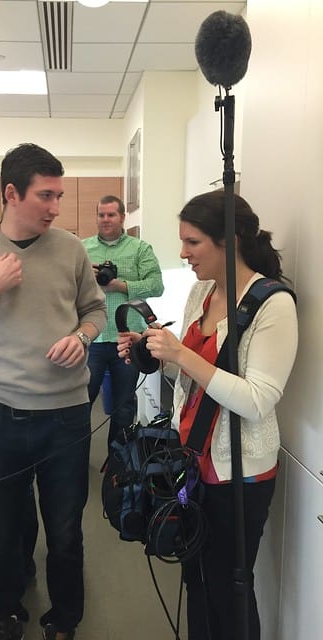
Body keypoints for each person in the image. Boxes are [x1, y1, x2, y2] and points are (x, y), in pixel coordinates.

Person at [0, 143, 107, 640]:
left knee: (67, 533)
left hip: (66, 418)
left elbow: (94, 311)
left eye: (58, 195)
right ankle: (5, 616)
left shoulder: (72, 249)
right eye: (45, 195)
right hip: (2, 416)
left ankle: (64, 621)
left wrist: (82, 337)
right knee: (6, 534)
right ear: (12, 193)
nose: (55, 207)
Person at [116, 190, 298, 640]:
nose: (183, 253)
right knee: (194, 579)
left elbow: (258, 399)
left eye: (192, 242)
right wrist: (157, 354)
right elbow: (194, 373)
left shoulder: (273, 304)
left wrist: (181, 352)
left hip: (240, 475)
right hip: (193, 459)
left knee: (229, 586)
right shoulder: (202, 291)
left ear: (230, 241)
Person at [82, 195, 163, 446]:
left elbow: (157, 285)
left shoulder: (140, 249)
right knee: (80, 403)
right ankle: (76, 458)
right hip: (91, 337)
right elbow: (67, 287)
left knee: (124, 408)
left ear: (122, 217)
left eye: (111, 215)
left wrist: (120, 285)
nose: (106, 220)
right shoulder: (82, 249)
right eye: (101, 215)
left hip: (128, 339)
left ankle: (118, 466)